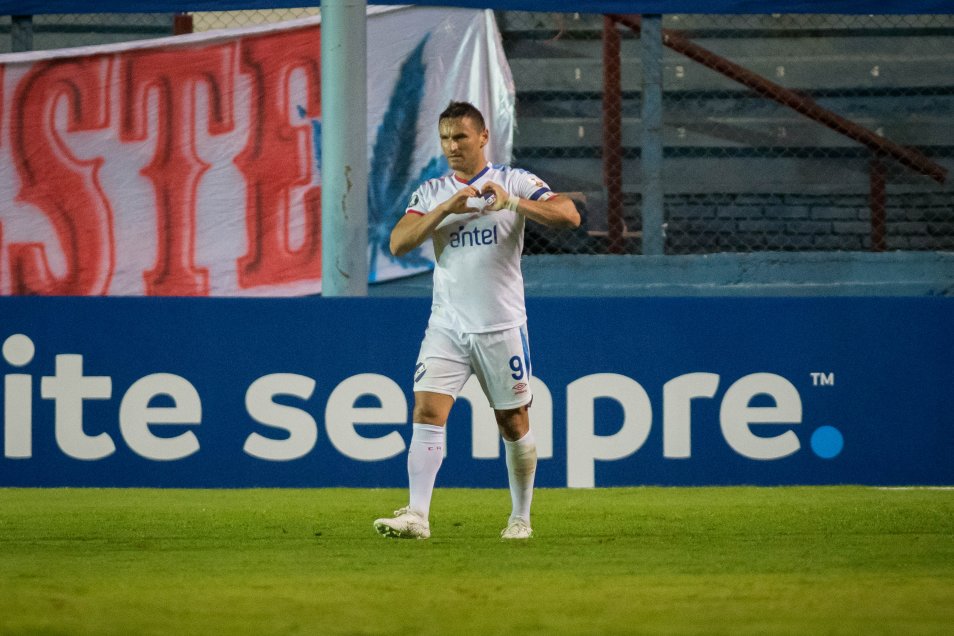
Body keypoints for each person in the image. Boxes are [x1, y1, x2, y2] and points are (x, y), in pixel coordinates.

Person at [373, 101, 580, 540]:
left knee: (513, 422)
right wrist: (446, 209)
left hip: (501, 325)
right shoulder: (433, 192)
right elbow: (398, 243)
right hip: (447, 325)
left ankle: (520, 518)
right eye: (445, 138)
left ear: (483, 137)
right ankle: (417, 515)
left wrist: (514, 203)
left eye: (460, 137)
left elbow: (569, 215)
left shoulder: (513, 180)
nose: (452, 146)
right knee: (427, 409)